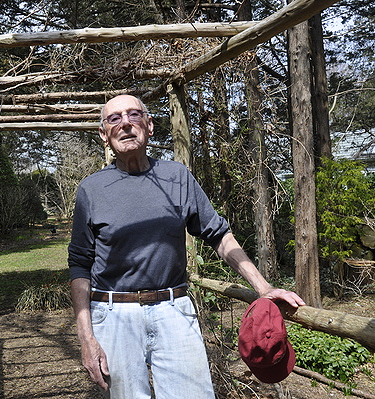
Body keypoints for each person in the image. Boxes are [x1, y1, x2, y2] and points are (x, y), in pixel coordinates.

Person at [68, 94, 305, 399]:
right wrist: (86, 337)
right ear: (104, 133)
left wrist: (263, 288)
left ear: (150, 125)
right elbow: (80, 265)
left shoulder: (177, 177)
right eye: (114, 118)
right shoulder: (92, 189)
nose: (125, 123)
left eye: (134, 115)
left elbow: (219, 236)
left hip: (173, 309)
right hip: (113, 315)